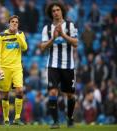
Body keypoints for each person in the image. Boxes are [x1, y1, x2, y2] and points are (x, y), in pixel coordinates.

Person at [40, 1, 78, 129]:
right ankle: (56, 122)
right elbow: (42, 47)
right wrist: (53, 38)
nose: (55, 12)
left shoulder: (70, 25)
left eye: (57, 10)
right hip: (53, 65)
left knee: (70, 95)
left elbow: (76, 43)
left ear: (62, 11)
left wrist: (63, 35)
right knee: (52, 92)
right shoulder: (47, 28)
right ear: (51, 14)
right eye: (53, 11)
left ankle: (69, 117)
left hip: (68, 66)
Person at [0, 15, 28, 125]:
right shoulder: (1, 35)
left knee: (19, 90)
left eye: (16, 22)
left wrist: (17, 35)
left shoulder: (21, 34)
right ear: (9, 23)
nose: (14, 23)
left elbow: (24, 47)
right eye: (12, 21)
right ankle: (6, 119)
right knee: (5, 94)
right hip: (4, 68)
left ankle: (17, 118)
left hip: (17, 68)